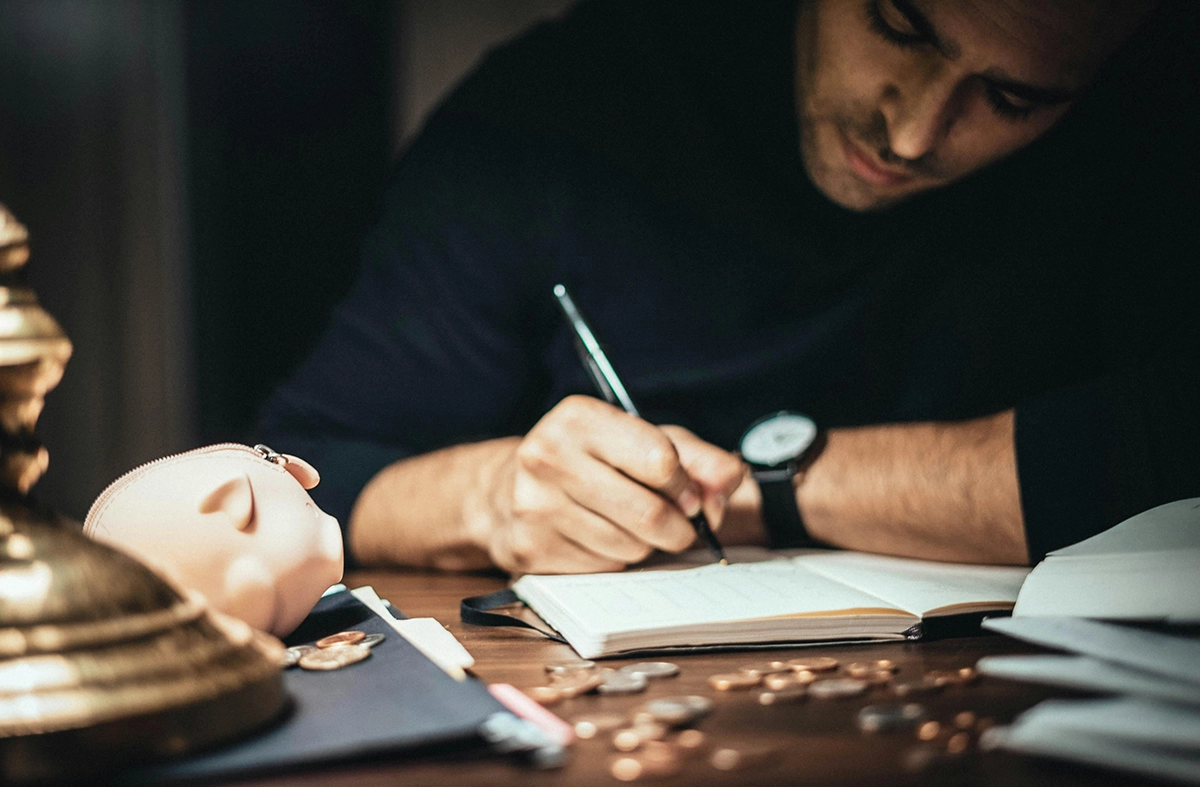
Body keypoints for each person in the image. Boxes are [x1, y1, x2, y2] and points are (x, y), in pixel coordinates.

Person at [258, 0, 1198, 575]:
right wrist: (491, 495)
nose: (912, 135)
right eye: (899, 26)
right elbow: (304, 468)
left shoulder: (1155, 131)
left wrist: (761, 486)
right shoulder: (560, 117)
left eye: (1012, 98)